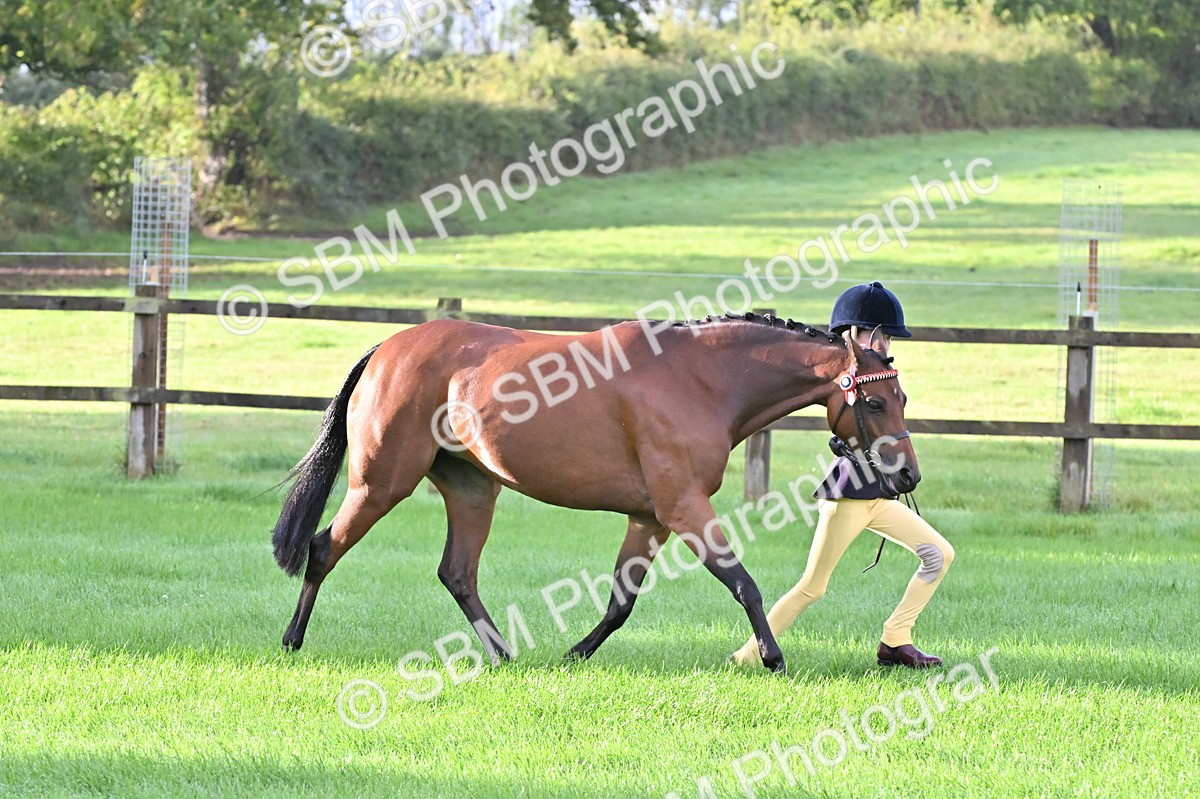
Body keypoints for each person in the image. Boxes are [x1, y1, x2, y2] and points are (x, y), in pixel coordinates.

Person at [731, 282, 954, 669]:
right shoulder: (845, 376)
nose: (884, 344)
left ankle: (896, 640)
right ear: (854, 335)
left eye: (886, 337)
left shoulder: (878, 375)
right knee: (812, 587)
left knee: (938, 554)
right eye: (878, 335)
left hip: (879, 498)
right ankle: (747, 657)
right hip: (849, 498)